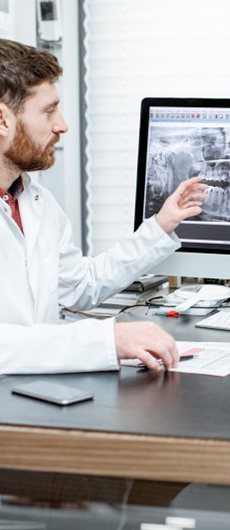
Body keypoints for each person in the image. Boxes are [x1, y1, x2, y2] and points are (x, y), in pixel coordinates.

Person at [0, 38, 208, 374]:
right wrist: (106, 340)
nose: (62, 125)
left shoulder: (34, 200)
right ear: (3, 120)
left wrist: (160, 226)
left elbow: (81, 285)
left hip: (33, 394)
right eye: (48, 111)